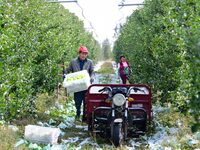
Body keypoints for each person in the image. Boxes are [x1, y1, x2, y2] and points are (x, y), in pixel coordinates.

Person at [64, 46, 94, 121]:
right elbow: (68, 70)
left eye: (85, 54)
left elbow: (92, 72)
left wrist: (91, 78)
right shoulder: (73, 62)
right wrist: (65, 74)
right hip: (77, 86)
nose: (84, 55)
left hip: (86, 85)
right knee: (77, 101)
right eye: (82, 53)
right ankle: (78, 113)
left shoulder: (89, 62)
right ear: (79, 53)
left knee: (86, 102)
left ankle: (84, 117)